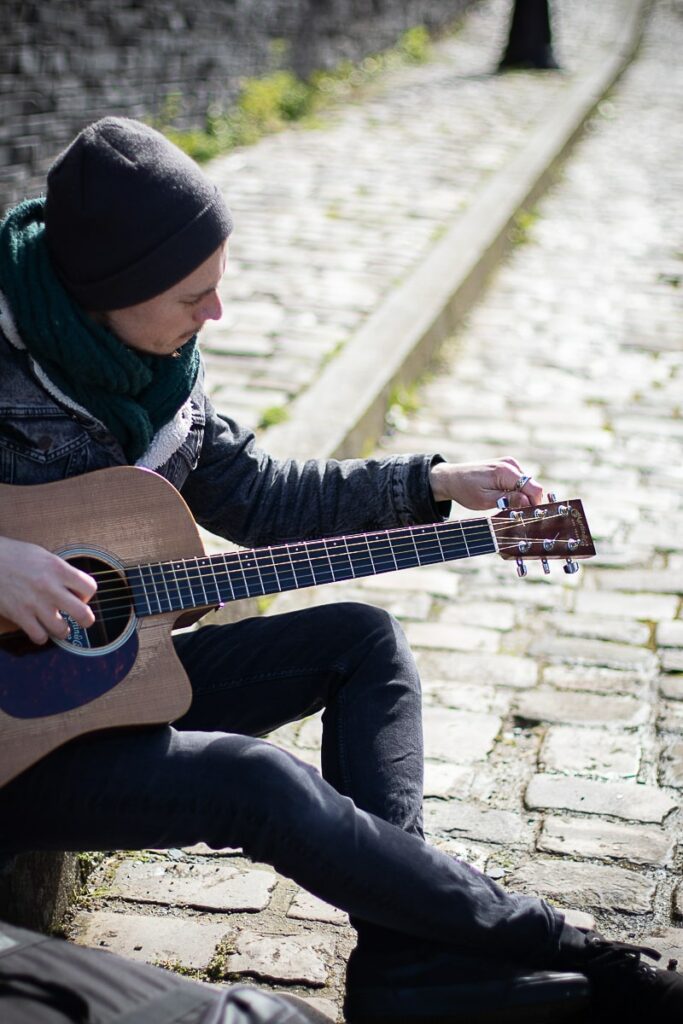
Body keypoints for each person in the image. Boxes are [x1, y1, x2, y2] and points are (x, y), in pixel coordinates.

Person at [0, 117, 680, 1024]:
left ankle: (403, 969)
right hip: (17, 758)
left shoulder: (155, 374)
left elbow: (262, 495)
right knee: (254, 781)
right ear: (104, 294)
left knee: (362, 640)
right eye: (190, 296)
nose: (215, 316)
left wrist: (434, 481)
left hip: (105, 692)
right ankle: (569, 948)